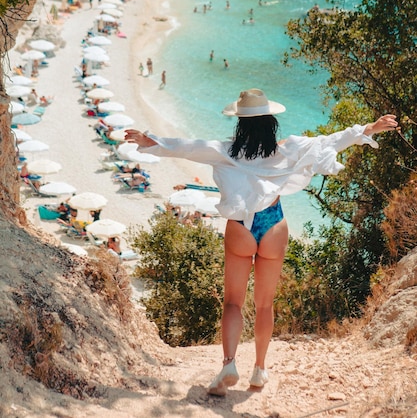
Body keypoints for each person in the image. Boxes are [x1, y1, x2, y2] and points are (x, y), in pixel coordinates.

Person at [124, 88, 398, 396]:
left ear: (240, 123)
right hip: (273, 225)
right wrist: (369, 129)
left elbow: (188, 148)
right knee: (265, 304)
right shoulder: (288, 148)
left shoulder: (225, 151)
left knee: (232, 302)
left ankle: (229, 364)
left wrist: (150, 141)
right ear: (271, 122)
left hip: (241, 227)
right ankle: (259, 369)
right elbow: (329, 141)